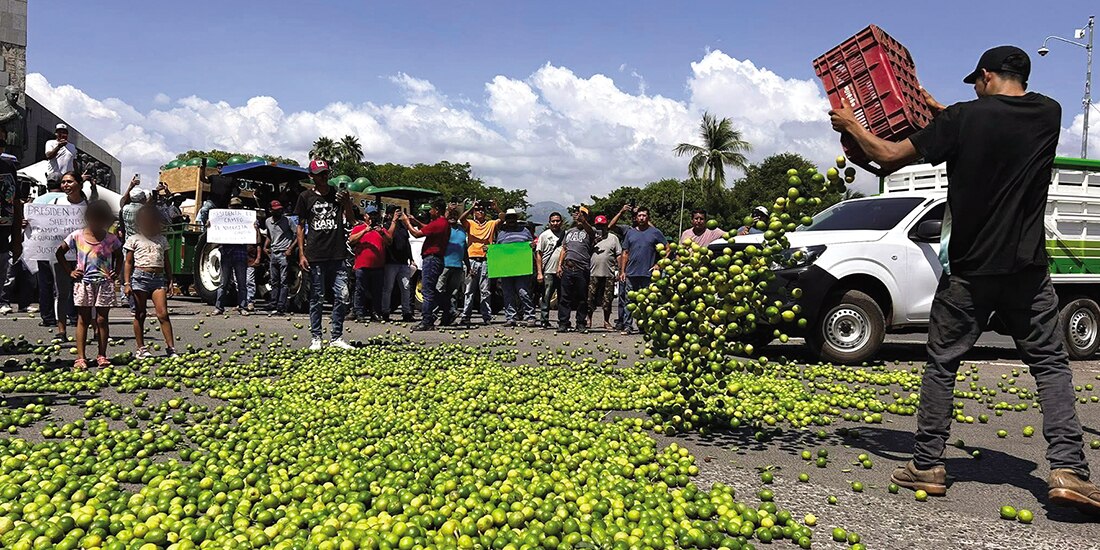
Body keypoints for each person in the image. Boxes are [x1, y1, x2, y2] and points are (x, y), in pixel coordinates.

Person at [829, 45, 1100, 511]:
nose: (975, 89)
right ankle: (1069, 471)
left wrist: (852, 125)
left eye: (976, 81)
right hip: (1028, 271)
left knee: (942, 363)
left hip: (970, 273)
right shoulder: (1047, 113)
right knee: (1051, 366)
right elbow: (991, 119)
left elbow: (890, 156)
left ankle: (928, 464)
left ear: (988, 76)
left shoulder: (961, 123)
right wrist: (944, 112)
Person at [296, 159, 357, 350]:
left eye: (326, 173)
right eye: (320, 173)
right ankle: (316, 337)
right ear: (311, 176)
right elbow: (300, 227)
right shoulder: (305, 197)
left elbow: (352, 220)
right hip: (315, 254)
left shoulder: (337, 195)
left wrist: (347, 202)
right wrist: (302, 254)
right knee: (317, 297)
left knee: (342, 296)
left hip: (337, 254)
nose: (324, 177)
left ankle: (336, 337)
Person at [56, 200, 122, 370]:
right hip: (84, 283)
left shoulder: (110, 238)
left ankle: (102, 355)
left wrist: (117, 271)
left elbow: (120, 255)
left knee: (102, 320)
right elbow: (59, 252)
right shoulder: (77, 235)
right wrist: (70, 271)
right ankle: (81, 357)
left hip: (104, 283)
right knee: (83, 319)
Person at [30, 171, 87, 338]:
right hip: (59, 253)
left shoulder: (87, 205)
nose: (65, 185)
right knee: (61, 292)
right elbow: (42, 223)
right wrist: (27, 222)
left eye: (69, 182)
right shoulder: (56, 202)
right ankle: (61, 330)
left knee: (86, 291)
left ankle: (90, 328)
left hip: (82, 255)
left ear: (79, 184)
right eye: (63, 182)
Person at [123, 205, 176, 358]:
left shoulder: (162, 239)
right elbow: (128, 262)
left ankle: (171, 348)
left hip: (158, 280)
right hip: (140, 278)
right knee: (140, 314)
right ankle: (141, 348)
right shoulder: (134, 239)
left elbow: (166, 262)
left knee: (163, 314)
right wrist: (127, 283)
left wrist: (170, 280)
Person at [619, 206, 668, 335]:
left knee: (647, 301)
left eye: (644, 215)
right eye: (639, 216)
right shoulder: (630, 232)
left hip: (648, 273)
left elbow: (668, 248)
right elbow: (625, 252)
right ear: (636, 218)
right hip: (631, 273)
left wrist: (659, 264)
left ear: (648, 217)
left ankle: (644, 326)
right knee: (629, 301)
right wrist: (622, 271)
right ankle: (627, 326)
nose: (641, 218)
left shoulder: (655, 232)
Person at [403, 199, 450, 331]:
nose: (430, 212)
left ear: (437, 210)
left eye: (431, 209)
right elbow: (427, 229)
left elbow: (417, 234)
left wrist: (407, 222)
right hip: (437, 259)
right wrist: (416, 222)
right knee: (431, 289)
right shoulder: (443, 223)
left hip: (432, 258)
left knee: (427, 291)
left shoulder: (438, 223)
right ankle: (449, 309)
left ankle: (427, 320)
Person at [458, 200, 504, 325]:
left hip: (485, 260)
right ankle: (466, 315)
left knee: (485, 290)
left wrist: (496, 208)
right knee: (469, 290)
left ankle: (486, 316)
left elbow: (502, 218)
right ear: (474, 212)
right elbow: (461, 219)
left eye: (482, 210)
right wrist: (470, 207)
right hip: (471, 259)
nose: (480, 212)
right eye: (478, 210)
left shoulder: (490, 224)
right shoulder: (471, 223)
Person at [496, 209, 537, 327]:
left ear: (516, 219)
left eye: (513, 218)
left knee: (523, 292)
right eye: (508, 218)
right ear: (506, 220)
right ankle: (511, 317)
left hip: (522, 268)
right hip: (506, 269)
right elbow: (498, 249)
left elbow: (531, 245)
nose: (511, 220)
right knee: (508, 293)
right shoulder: (501, 233)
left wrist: (532, 246)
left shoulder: (525, 231)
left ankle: (530, 316)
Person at [212, 197, 252, 316]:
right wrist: (211, 226)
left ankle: (242, 306)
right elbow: (214, 235)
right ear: (229, 207)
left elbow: (255, 239)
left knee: (242, 283)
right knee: (223, 283)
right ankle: (219, 307)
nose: (235, 209)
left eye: (238, 207)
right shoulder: (223, 220)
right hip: (226, 254)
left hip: (240, 255)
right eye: (233, 206)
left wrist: (253, 228)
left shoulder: (247, 220)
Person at [557, 209, 595, 332]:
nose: (579, 217)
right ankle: (563, 322)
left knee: (582, 298)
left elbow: (591, 232)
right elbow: (564, 249)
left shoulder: (590, 230)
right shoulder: (569, 232)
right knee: (564, 297)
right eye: (578, 215)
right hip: (568, 267)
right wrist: (559, 265)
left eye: (582, 215)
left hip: (582, 268)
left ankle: (580, 323)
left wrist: (583, 222)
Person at [350, 207, 390, 323]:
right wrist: (365, 231)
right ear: (365, 216)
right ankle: (359, 313)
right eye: (370, 215)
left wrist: (381, 232)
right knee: (360, 290)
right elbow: (351, 240)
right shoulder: (359, 228)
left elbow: (389, 241)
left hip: (378, 266)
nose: (372, 217)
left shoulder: (380, 230)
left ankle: (376, 313)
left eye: (374, 215)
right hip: (362, 266)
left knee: (377, 291)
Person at [0, 129, 23, 317]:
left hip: (2, 240)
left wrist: (17, 239)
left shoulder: (9, 167)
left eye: (2, 143)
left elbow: (16, 203)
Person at [380, 206, 415, 322]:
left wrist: (411, 257)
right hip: (391, 262)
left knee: (406, 288)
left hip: (403, 262)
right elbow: (388, 238)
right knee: (388, 288)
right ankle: (385, 311)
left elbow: (407, 243)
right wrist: (393, 221)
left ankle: (407, 312)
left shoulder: (402, 226)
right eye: (395, 213)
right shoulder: (386, 226)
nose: (398, 215)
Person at [587, 214, 622, 330]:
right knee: (590, 298)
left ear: (606, 226)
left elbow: (619, 255)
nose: (600, 228)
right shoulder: (591, 237)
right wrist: (593, 242)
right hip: (593, 273)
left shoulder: (613, 238)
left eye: (602, 225)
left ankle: (606, 321)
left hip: (609, 273)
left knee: (608, 299)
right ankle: (589, 319)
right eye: (598, 226)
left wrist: (620, 270)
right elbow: (585, 251)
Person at [264, 200, 296, 314]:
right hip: (273, 252)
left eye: (280, 210)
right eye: (276, 210)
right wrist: (265, 246)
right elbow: (269, 235)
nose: (279, 211)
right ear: (271, 210)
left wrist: (290, 249)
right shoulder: (268, 221)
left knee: (283, 281)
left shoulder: (288, 221)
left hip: (284, 253)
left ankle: (281, 305)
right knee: (274, 280)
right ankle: (273, 302)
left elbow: (297, 235)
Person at [437, 208, 467, 325]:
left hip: (458, 265)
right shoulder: (443, 227)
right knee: (439, 290)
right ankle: (433, 316)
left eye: (455, 215)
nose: (452, 217)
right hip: (444, 264)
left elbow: (464, 248)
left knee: (453, 293)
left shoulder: (462, 230)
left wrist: (468, 265)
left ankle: (447, 319)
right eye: (450, 214)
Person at [535, 212, 566, 328]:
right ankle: (544, 319)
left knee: (563, 297)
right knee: (546, 296)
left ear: (561, 222)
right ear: (549, 222)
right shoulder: (544, 235)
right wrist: (539, 272)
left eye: (557, 221)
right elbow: (539, 254)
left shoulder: (565, 234)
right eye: (553, 221)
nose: (555, 223)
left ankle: (562, 320)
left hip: (562, 271)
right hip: (548, 270)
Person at [197, 158, 238, 227]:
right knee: (204, 210)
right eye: (218, 166)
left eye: (222, 166)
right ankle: (206, 224)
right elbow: (203, 179)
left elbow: (236, 191)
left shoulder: (231, 179)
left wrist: (232, 200)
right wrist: (202, 168)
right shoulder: (213, 177)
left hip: (224, 204)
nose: (219, 167)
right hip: (212, 201)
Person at [119, 175, 146, 240]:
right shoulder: (145, 210)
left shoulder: (124, 209)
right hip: (142, 242)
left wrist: (130, 186)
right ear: (142, 198)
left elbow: (123, 202)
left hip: (129, 242)